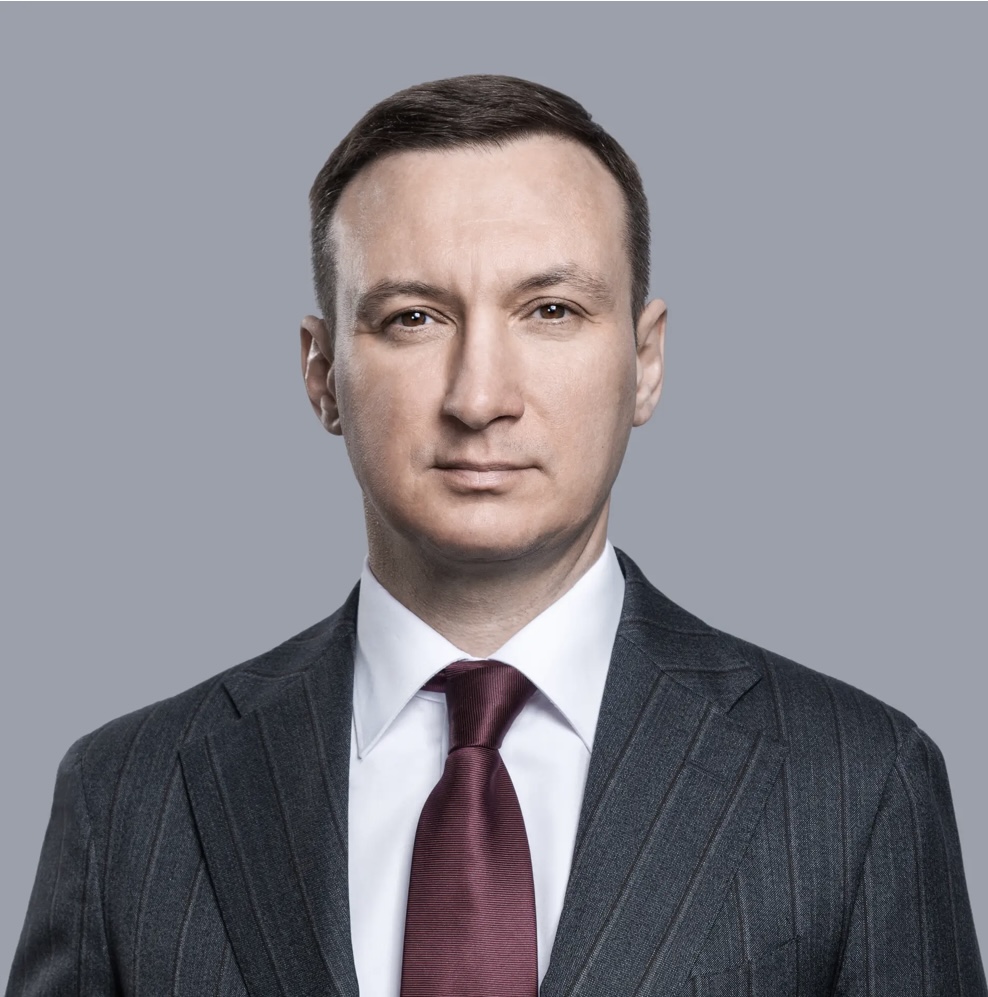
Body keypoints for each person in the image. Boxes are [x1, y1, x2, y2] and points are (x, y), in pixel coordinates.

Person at [6, 74, 985, 997]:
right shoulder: (126, 798)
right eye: (413, 317)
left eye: (550, 310)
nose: (479, 397)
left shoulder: (856, 783)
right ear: (321, 373)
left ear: (645, 361)